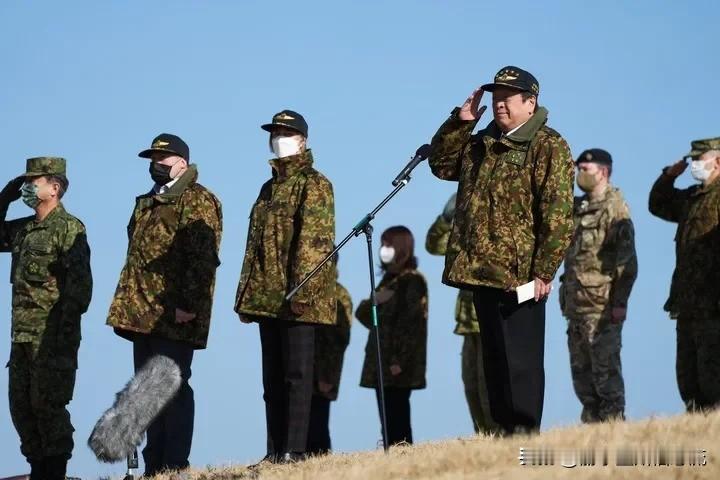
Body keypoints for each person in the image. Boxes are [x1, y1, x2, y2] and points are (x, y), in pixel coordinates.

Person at [428, 66, 575, 434]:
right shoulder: (479, 143)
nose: (499, 104)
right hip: (480, 271)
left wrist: (543, 272)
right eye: (495, 97)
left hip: (519, 274)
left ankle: (525, 436)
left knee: (520, 362)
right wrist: (459, 124)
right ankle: (503, 436)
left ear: (530, 102)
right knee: (493, 361)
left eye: (508, 97)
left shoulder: (547, 144)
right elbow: (441, 165)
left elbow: (557, 212)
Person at [106, 133, 223, 477]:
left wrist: (188, 304)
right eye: (152, 159)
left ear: (182, 163)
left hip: (176, 312)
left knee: (173, 384)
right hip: (143, 312)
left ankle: (175, 465)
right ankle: (154, 466)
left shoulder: (198, 199)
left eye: (163, 158)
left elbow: (202, 257)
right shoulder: (146, 202)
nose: (155, 164)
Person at [235, 110, 336, 464]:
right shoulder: (268, 188)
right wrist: (248, 298)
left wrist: (302, 293)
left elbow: (314, 245)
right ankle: (274, 451)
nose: (279, 138)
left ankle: (295, 450)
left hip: (299, 299)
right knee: (272, 380)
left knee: (297, 376)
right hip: (268, 298)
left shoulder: (315, 183)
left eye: (287, 132)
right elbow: (254, 247)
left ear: (303, 140)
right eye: (275, 132)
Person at [0, 157, 92, 480]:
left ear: (54, 188)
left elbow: (79, 291)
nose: (28, 187)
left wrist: (63, 339)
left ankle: (54, 473)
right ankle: (37, 470)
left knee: (49, 409)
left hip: (51, 340)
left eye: (33, 181)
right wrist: (4, 198)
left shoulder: (69, 228)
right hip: (21, 339)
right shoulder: (24, 230)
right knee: (21, 409)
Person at [559, 149, 637, 423]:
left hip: (602, 308)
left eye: (586, 169)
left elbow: (627, 262)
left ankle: (614, 433)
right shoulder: (579, 209)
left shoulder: (614, 209)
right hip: (576, 307)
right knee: (583, 380)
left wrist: (619, 303)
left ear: (603, 172)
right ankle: (592, 436)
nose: (581, 175)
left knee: (606, 378)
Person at [648, 137, 720, 412]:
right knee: (688, 377)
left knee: (713, 376)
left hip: (713, 303)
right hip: (688, 302)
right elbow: (658, 204)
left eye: (699, 160)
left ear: (717, 161)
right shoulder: (692, 198)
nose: (694, 165)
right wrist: (668, 176)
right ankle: (696, 425)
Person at [425, 193, 497, 434]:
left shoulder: (496, 230)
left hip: (489, 319)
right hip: (468, 322)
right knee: (472, 386)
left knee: (489, 386)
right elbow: (433, 246)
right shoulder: (463, 233)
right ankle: (483, 437)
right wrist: (446, 218)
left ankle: (498, 439)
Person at [356, 226, 428, 446]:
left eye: (388, 245)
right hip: (381, 360)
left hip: (397, 364)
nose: (383, 250)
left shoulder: (412, 281)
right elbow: (364, 315)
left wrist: (398, 359)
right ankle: (391, 449)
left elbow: (411, 325)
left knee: (397, 415)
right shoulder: (388, 281)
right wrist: (375, 300)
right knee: (387, 418)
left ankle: (402, 452)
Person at [307, 255, 353, 455]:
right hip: (302, 371)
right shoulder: (306, 289)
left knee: (317, 429)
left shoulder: (338, 294)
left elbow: (338, 341)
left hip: (321, 374)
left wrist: (326, 375)